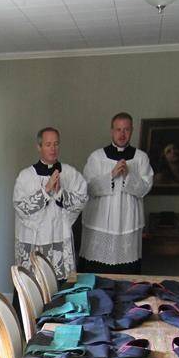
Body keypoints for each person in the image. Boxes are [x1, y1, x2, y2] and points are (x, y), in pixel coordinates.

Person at [80, 112, 153, 274]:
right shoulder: (97, 157)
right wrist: (111, 175)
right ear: (112, 131)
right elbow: (88, 188)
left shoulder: (141, 158)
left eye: (126, 129)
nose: (122, 134)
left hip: (128, 222)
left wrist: (128, 175)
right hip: (100, 222)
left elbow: (145, 189)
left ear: (132, 130)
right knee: (97, 271)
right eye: (118, 129)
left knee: (127, 272)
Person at [13, 126, 87, 280]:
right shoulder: (26, 176)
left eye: (56, 144)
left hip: (59, 236)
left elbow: (81, 201)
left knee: (60, 285)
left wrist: (60, 194)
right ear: (39, 147)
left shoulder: (70, 173)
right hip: (34, 239)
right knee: (34, 284)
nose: (53, 149)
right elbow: (21, 208)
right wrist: (46, 190)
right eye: (48, 144)